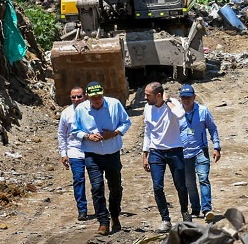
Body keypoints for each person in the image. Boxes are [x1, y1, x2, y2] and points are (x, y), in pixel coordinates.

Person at [72, 81, 131, 236]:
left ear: (103, 94)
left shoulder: (114, 104)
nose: (96, 100)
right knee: (97, 187)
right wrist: (88, 136)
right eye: (93, 98)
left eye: (99, 97)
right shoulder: (81, 109)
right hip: (92, 154)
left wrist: (115, 133)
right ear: (87, 97)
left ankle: (115, 216)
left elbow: (126, 122)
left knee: (115, 187)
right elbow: (75, 130)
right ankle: (103, 221)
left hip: (112, 152)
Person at [142, 82, 191, 233]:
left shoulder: (173, 103)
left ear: (158, 95)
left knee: (180, 185)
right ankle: (165, 219)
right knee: (157, 186)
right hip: (156, 151)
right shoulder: (147, 108)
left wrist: (168, 101)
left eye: (148, 95)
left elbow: (181, 115)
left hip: (174, 150)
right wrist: (145, 154)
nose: (145, 98)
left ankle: (185, 212)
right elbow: (148, 132)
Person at [178, 84, 221, 221]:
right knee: (189, 183)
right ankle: (195, 208)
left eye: (189, 97)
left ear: (194, 97)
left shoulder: (203, 111)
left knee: (203, 179)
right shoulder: (176, 114)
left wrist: (216, 147)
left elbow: (212, 129)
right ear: (180, 98)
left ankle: (207, 209)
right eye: (183, 97)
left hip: (200, 151)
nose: (186, 100)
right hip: (184, 153)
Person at [57, 86, 88, 221]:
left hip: (92, 151)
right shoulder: (66, 113)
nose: (76, 99)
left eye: (79, 96)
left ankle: (101, 208)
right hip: (74, 151)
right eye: (73, 97)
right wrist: (63, 153)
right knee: (78, 180)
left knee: (97, 182)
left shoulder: (91, 110)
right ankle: (82, 210)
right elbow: (62, 134)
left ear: (85, 96)